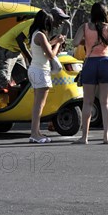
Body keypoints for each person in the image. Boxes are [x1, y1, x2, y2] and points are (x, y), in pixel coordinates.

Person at [0, 8, 70, 125]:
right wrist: (29, 58)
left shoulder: (44, 29)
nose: (61, 22)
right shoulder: (35, 24)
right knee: (2, 78)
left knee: (24, 77)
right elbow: (20, 39)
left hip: (16, 50)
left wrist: (56, 43)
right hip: (6, 47)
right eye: (60, 19)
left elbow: (42, 45)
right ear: (52, 17)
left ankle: (18, 107)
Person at [72, 2, 108, 145]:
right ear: (106, 14)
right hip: (105, 63)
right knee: (105, 102)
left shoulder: (85, 27)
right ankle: (106, 137)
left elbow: (74, 43)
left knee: (87, 102)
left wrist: (86, 41)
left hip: (90, 64)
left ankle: (84, 137)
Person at [27, 10, 66, 143]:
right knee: (39, 105)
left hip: (35, 69)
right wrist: (59, 43)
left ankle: (36, 132)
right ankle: (34, 133)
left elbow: (45, 47)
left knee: (37, 104)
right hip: (40, 71)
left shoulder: (35, 34)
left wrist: (55, 41)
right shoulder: (41, 35)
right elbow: (50, 55)